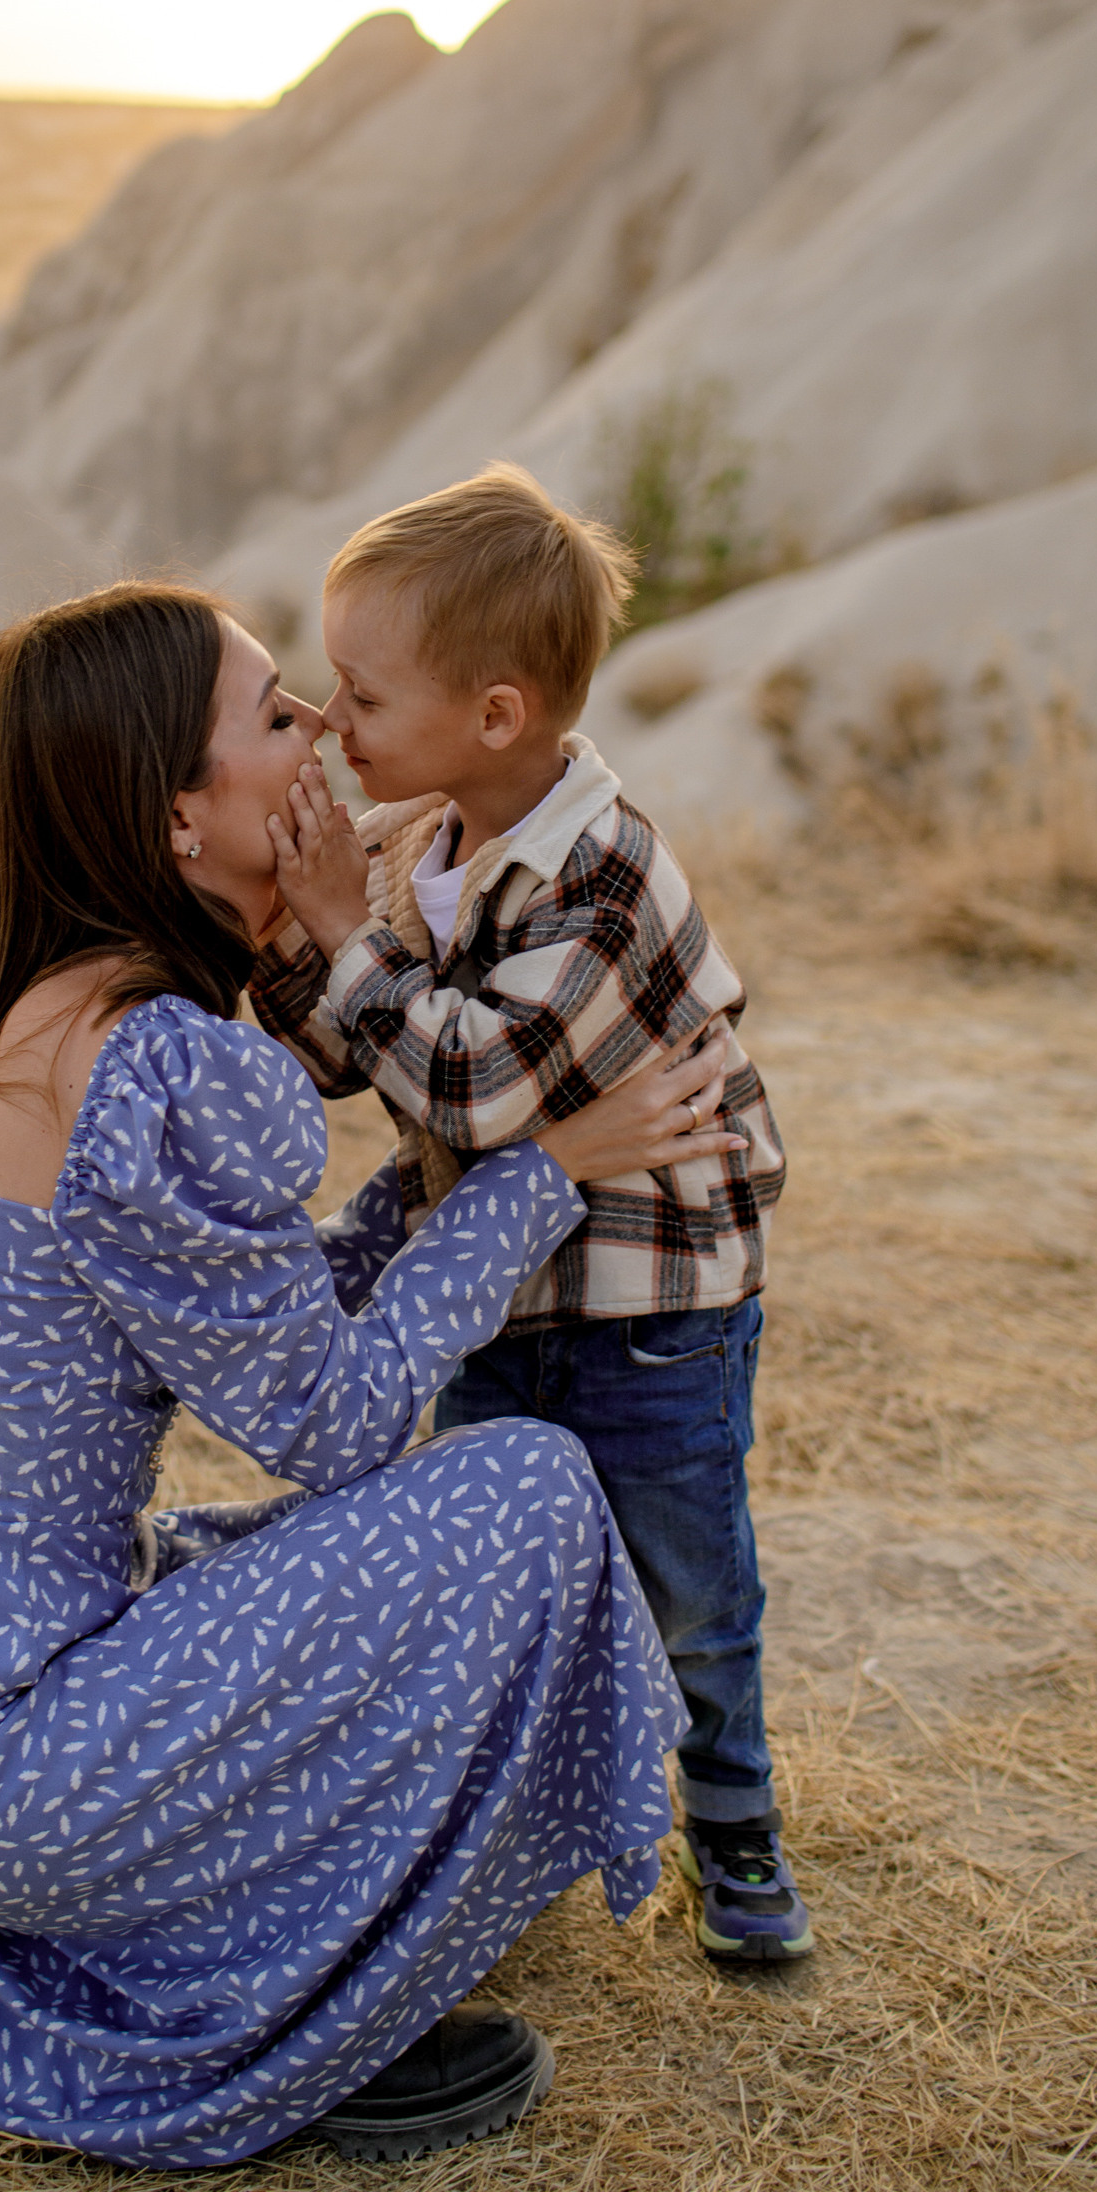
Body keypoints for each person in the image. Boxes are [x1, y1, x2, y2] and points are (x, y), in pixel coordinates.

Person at [0, 581, 738, 2170]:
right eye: (274, 714)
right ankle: (302, 2007)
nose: (316, 734)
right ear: (178, 814)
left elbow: (277, 1313)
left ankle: (254, 1926)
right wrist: (546, 1169)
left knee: (260, 1572)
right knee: (519, 1486)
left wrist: (451, 1162)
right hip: (2, 1757)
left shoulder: (55, 1013)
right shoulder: (155, 1063)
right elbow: (336, 1422)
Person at [252, 464, 810, 1962]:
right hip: (502, 1294)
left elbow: (474, 1087)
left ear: (495, 717)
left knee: (687, 1590)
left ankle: (735, 1827)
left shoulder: (606, 873)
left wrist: (332, 934)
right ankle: (515, 1833)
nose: (328, 722)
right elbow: (333, 1055)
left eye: (361, 698)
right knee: (500, 1586)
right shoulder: (421, 845)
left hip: (649, 1319)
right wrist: (287, 928)